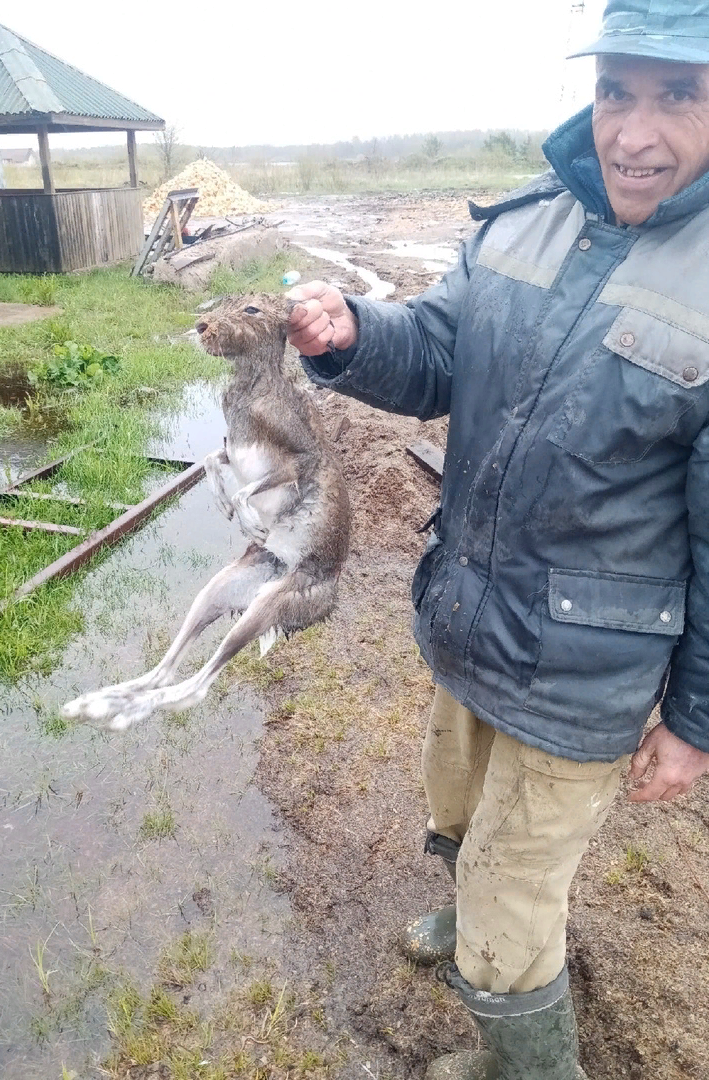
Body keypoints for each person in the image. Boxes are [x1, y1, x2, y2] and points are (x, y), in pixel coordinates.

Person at [287, 3, 709, 1078]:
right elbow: (433, 347)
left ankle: (528, 1056)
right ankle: (469, 915)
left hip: (584, 675)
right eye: (617, 91)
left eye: (679, 96)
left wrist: (696, 720)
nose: (634, 133)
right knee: (459, 806)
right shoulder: (527, 220)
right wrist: (352, 335)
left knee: (518, 894)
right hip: (471, 618)